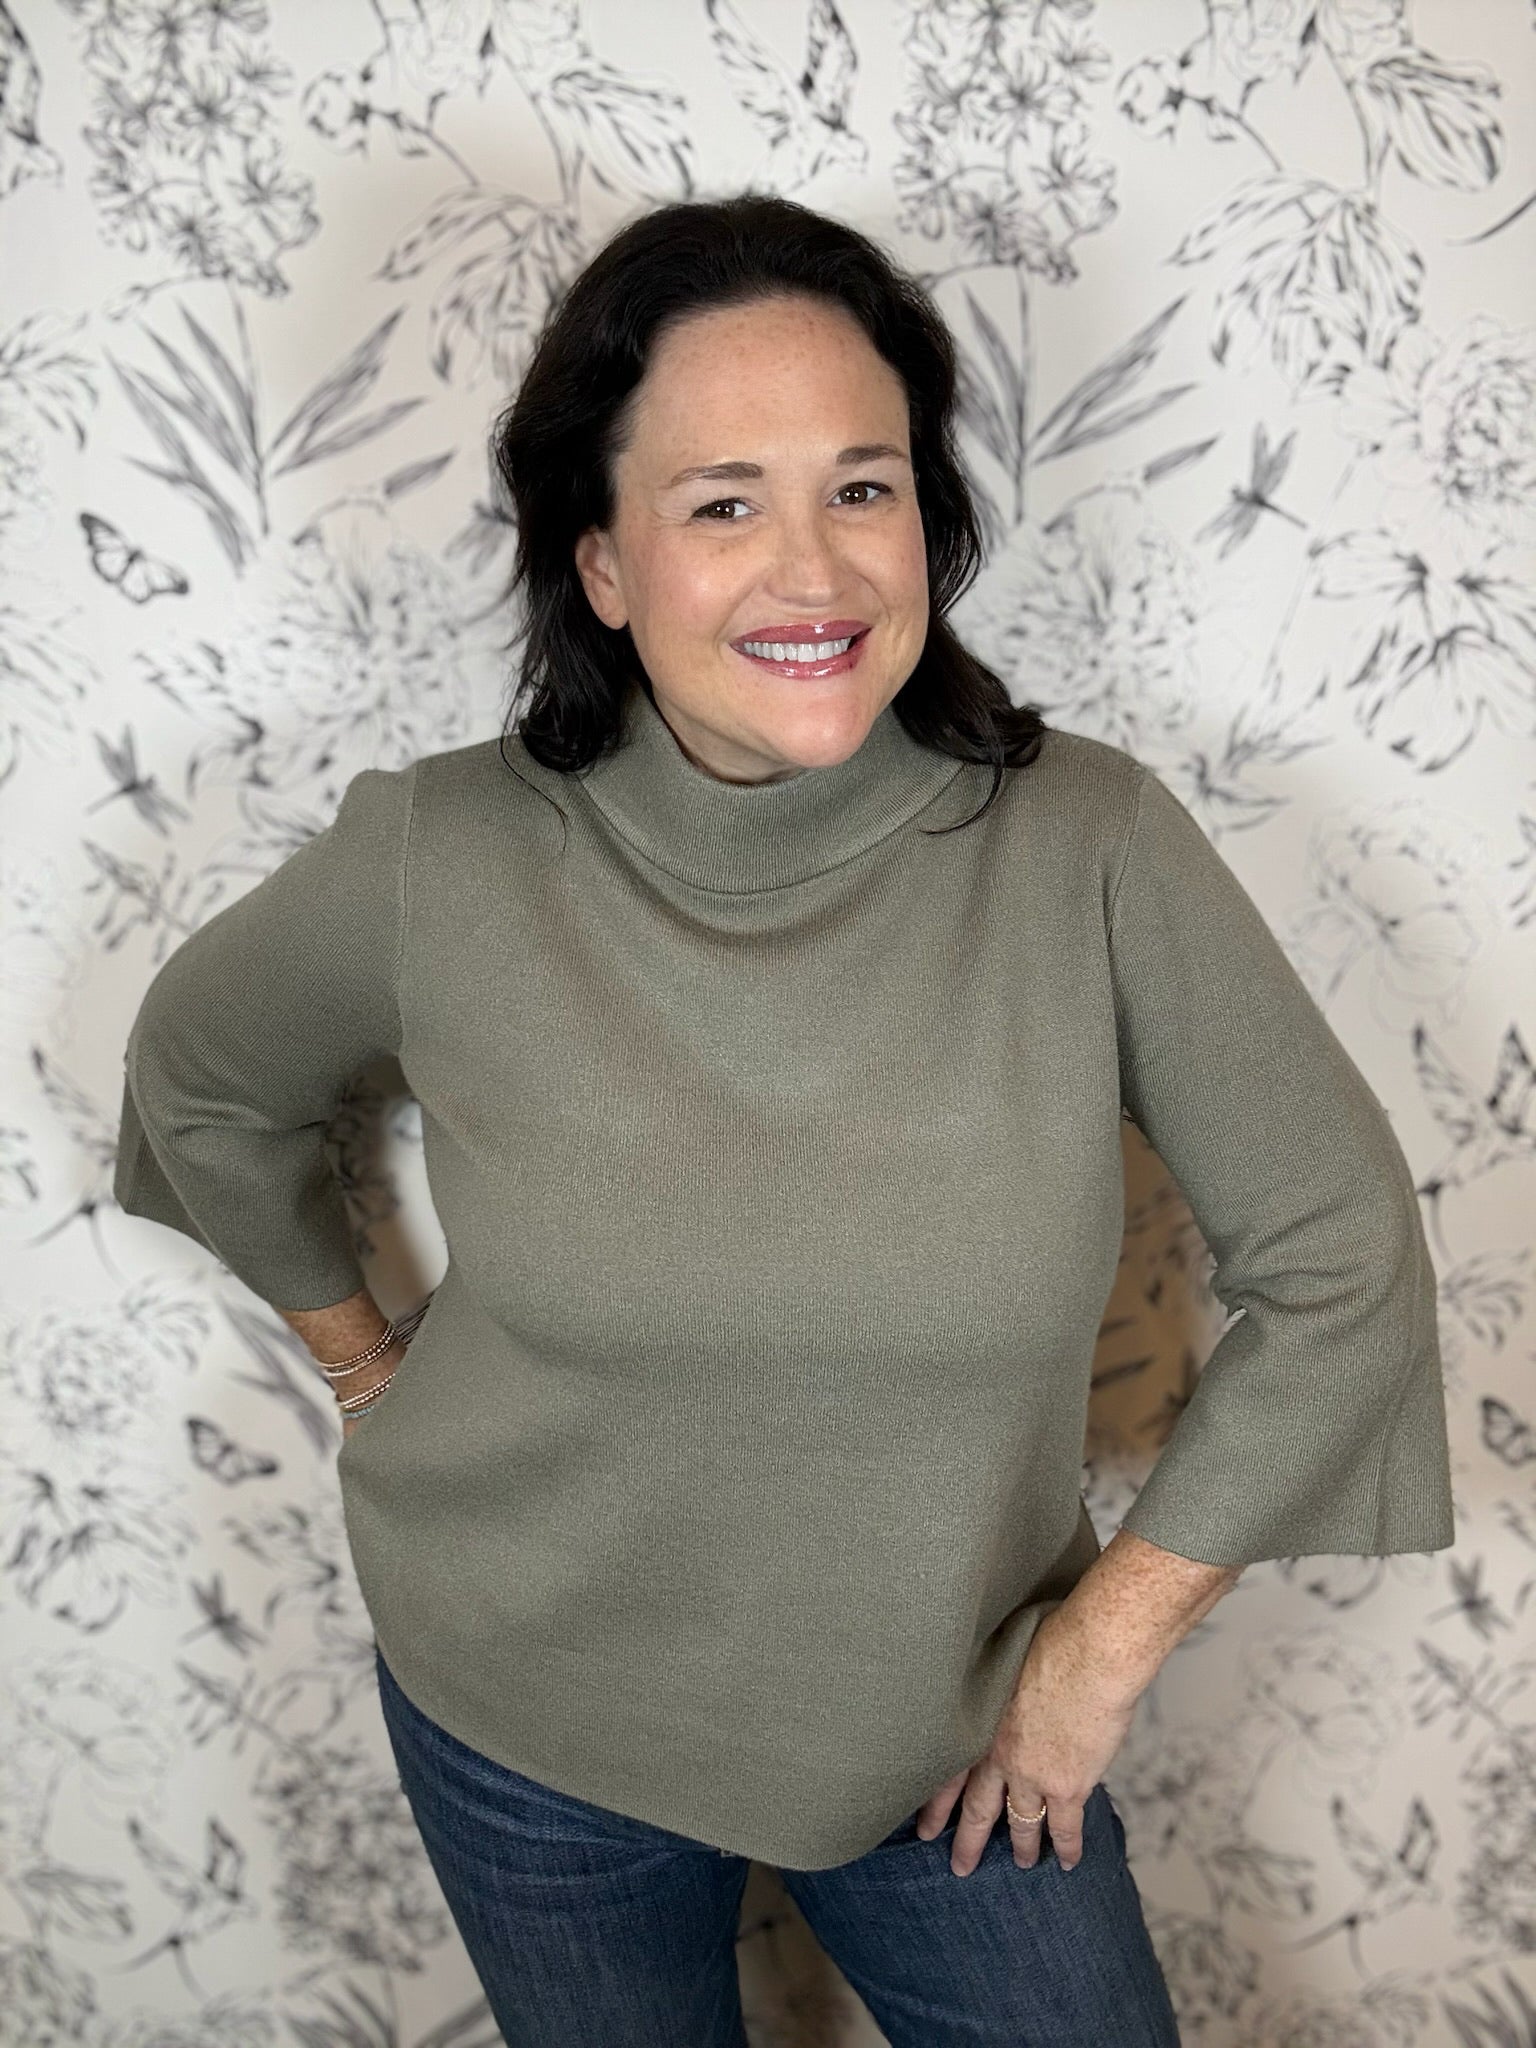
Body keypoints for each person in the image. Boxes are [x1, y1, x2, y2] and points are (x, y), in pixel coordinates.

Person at [113, 191, 1456, 2046]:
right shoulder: (445, 856)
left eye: (863, 487)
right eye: (723, 504)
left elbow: (1344, 1269)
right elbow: (199, 1079)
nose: (813, 571)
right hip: (525, 1717)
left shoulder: (1089, 846)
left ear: (929, 520)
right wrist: (359, 1362)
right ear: (602, 565)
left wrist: (1096, 1653)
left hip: (961, 1737)